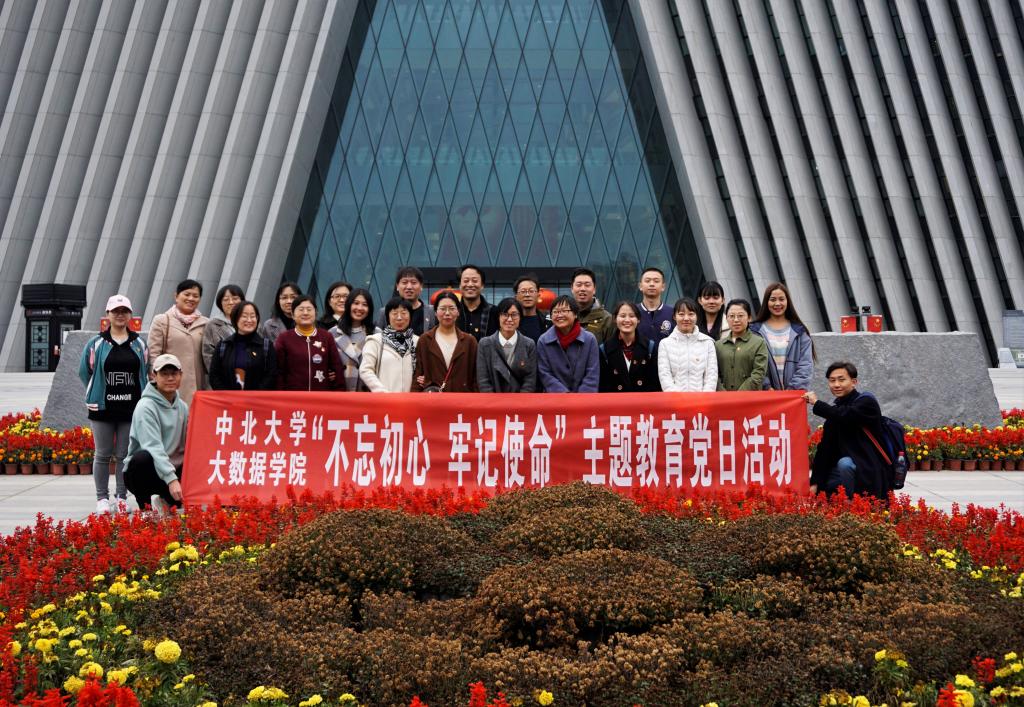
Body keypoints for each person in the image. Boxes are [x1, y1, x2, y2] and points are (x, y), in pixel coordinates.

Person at [79, 294, 149, 514]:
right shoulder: (96, 343)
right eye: (115, 311)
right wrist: (96, 391)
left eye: (124, 311)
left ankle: (121, 497)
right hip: (102, 408)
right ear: (108, 314)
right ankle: (101, 498)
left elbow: (145, 371)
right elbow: (84, 372)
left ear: (130, 315)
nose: (120, 315)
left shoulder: (139, 344)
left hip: (131, 408)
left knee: (124, 455)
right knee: (102, 454)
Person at [803, 362, 889, 500]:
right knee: (825, 486)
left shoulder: (866, 403)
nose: (836, 384)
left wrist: (817, 403)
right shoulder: (836, 409)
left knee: (845, 463)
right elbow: (825, 449)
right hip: (844, 472)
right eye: (832, 381)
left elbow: (845, 415)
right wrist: (815, 482)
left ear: (854, 382)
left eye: (841, 380)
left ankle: (852, 502)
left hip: (868, 468)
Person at [123, 353, 188, 515]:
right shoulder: (145, 406)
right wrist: (172, 480)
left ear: (181, 375)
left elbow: (189, 443)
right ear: (154, 376)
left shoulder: (183, 407)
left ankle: (165, 499)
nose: (170, 378)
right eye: (164, 374)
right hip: (146, 470)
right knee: (142, 458)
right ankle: (145, 508)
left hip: (171, 467)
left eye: (174, 373)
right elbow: (153, 447)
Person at [148, 278, 208, 405]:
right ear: (176, 296)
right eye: (187, 294)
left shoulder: (206, 323)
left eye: (195, 296)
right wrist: (156, 381)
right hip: (170, 386)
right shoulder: (162, 321)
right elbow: (153, 355)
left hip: (199, 388)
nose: (191, 298)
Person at [750, 282, 814, 391]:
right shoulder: (755, 331)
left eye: (781, 299)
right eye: (773, 299)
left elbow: (805, 365)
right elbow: (752, 363)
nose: (777, 303)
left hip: (794, 396)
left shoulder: (800, 331)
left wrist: (792, 390)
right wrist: (766, 387)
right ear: (766, 302)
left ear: (787, 301)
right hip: (765, 395)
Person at [274, 296, 345, 391]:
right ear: (293, 315)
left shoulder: (326, 336)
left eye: (309, 309)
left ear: (316, 313)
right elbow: (278, 371)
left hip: (321, 395)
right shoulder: (284, 338)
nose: (305, 313)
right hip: (293, 396)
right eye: (301, 309)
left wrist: (339, 392)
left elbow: (337, 368)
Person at [413, 291, 478, 392]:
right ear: (435, 312)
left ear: (458, 312)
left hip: (462, 398)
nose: (447, 313)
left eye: (452, 308)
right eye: (442, 309)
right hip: (434, 399)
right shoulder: (425, 340)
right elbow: (418, 374)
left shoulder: (470, 342)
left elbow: (475, 377)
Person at [537, 295, 600, 392]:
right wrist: (565, 396)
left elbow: (592, 373)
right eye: (555, 312)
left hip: (584, 398)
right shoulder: (543, 340)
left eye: (564, 311)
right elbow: (545, 374)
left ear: (575, 314)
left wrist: (581, 398)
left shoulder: (589, 339)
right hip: (555, 398)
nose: (559, 315)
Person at [209, 301, 277, 390]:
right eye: (244, 316)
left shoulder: (266, 346)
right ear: (235, 318)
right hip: (227, 398)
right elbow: (214, 375)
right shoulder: (224, 346)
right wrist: (226, 395)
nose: (249, 320)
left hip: (257, 398)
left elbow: (271, 375)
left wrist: (254, 395)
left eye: (252, 316)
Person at [476, 298, 538, 392]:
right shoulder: (485, 344)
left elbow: (530, 379)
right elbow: (483, 380)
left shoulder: (529, 344)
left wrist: (521, 400)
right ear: (498, 317)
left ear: (520, 317)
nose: (509, 319)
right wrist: (492, 400)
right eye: (505, 314)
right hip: (492, 399)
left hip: (521, 399)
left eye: (514, 315)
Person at [657, 297, 717, 392]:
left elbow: (711, 376)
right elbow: (665, 376)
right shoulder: (665, 344)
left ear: (697, 316)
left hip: (702, 399)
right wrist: (677, 398)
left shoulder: (707, 342)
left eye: (691, 314)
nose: (686, 318)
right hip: (674, 399)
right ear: (674, 316)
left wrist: (704, 398)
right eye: (681, 314)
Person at [599, 301, 661, 392]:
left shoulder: (649, 347)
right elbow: (603, 385)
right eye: (622, 316)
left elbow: (655, 384)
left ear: (638, 319)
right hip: (615, 400)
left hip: (643, 400)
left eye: (632, 316)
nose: (627, 320)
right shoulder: (604, 349)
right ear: (615, 319)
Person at [360, 297, 419, 392]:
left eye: (404, 313)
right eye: (394, 313)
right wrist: (382, 392)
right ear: (388, 317)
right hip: (383, 398)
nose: (399, 317)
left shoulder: (418, 342)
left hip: (411, 399)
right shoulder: (376, 341)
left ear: (410, 316)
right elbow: (365, 370)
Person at [716, 298, 768, 391]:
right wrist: (723, 393)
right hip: (724, 397)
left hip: (750, 397)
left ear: (749, 318)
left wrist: (739, 395)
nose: (736, 320)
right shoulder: (718, 345)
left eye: (740, 316)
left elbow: (758, 373)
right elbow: (714, 374)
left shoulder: (759, 343)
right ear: (726, 318)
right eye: (731, 316)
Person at [330, 287, 375, 391]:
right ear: (348, 305)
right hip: (340, 393)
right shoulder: (332, 333)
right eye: (356, 303)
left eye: (365, 304)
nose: (359, 308)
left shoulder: (376, 333)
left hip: (367, 394)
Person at [376, 266, 436, 335]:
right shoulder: (384, 312)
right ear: (397, 286)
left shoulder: (431, 311)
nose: (409, 287)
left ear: (421, 286)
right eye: (404, 282)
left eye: (413, 282)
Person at [201, 284, 245, 375]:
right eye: (226, 299)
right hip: (224, 377)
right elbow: (208, 355)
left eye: (235, 298)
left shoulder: (251, 322)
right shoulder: (212, 325)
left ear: (242, 301)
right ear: (220, 303)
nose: (231, 302)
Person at [571, 268, 615, 342]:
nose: (582, 289)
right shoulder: (564, 316)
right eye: (579, 285)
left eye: (587, 285)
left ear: (594, 289)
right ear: (572, 288)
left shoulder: (607, 319)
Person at [456, 264, 498, 340]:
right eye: (466, 281)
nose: (470, 284)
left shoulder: (495, 312)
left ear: (482, 285)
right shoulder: (453, 311)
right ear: (459, 285)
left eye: (475, 281)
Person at [637, 267, 674, 342]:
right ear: (640, 286)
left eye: (656, 281)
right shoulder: (632, 312)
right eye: (647, 281)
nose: (652, 284)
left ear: (663, 286)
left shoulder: (673, 313)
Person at [514, 273, 551, 341]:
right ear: (516, 297)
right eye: (523, 291)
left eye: (531, 291)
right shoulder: (510, 321)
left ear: (538, 295)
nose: (527, 295)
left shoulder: (549, 321)